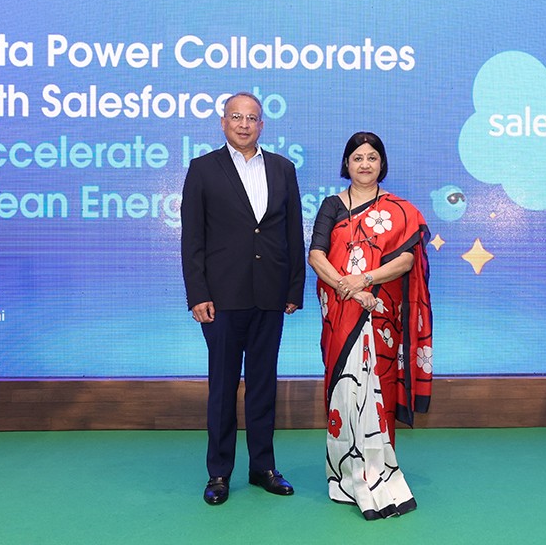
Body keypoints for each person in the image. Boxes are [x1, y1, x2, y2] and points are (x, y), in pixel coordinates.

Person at [181, 91, 305, 506]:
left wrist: (293, 287)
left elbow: (292, 232)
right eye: (236, 116)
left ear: (262, 125)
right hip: (221, 298)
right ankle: (218, 473)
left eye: (251, 118)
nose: (244, 124)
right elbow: (192, 239)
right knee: (222, 387)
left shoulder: (283, 168)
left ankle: (262, 467)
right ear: (223, 122)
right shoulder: (202, 169)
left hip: (271, 294)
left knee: (263, 385)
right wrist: (197, 293)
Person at [308, 132, 432, 520]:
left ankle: (379, 471)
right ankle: (345, 476)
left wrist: (364, 281)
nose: (364, 164)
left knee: (379, 387)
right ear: (346, 164)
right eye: (357, 157)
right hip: (341, 310)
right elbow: (316, 256)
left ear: (382, 164)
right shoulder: (331, 206)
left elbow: (406, 261)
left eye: (372, 157)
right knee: (346, 392)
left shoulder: (400, 211)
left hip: (381, 312)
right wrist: (347, 287)